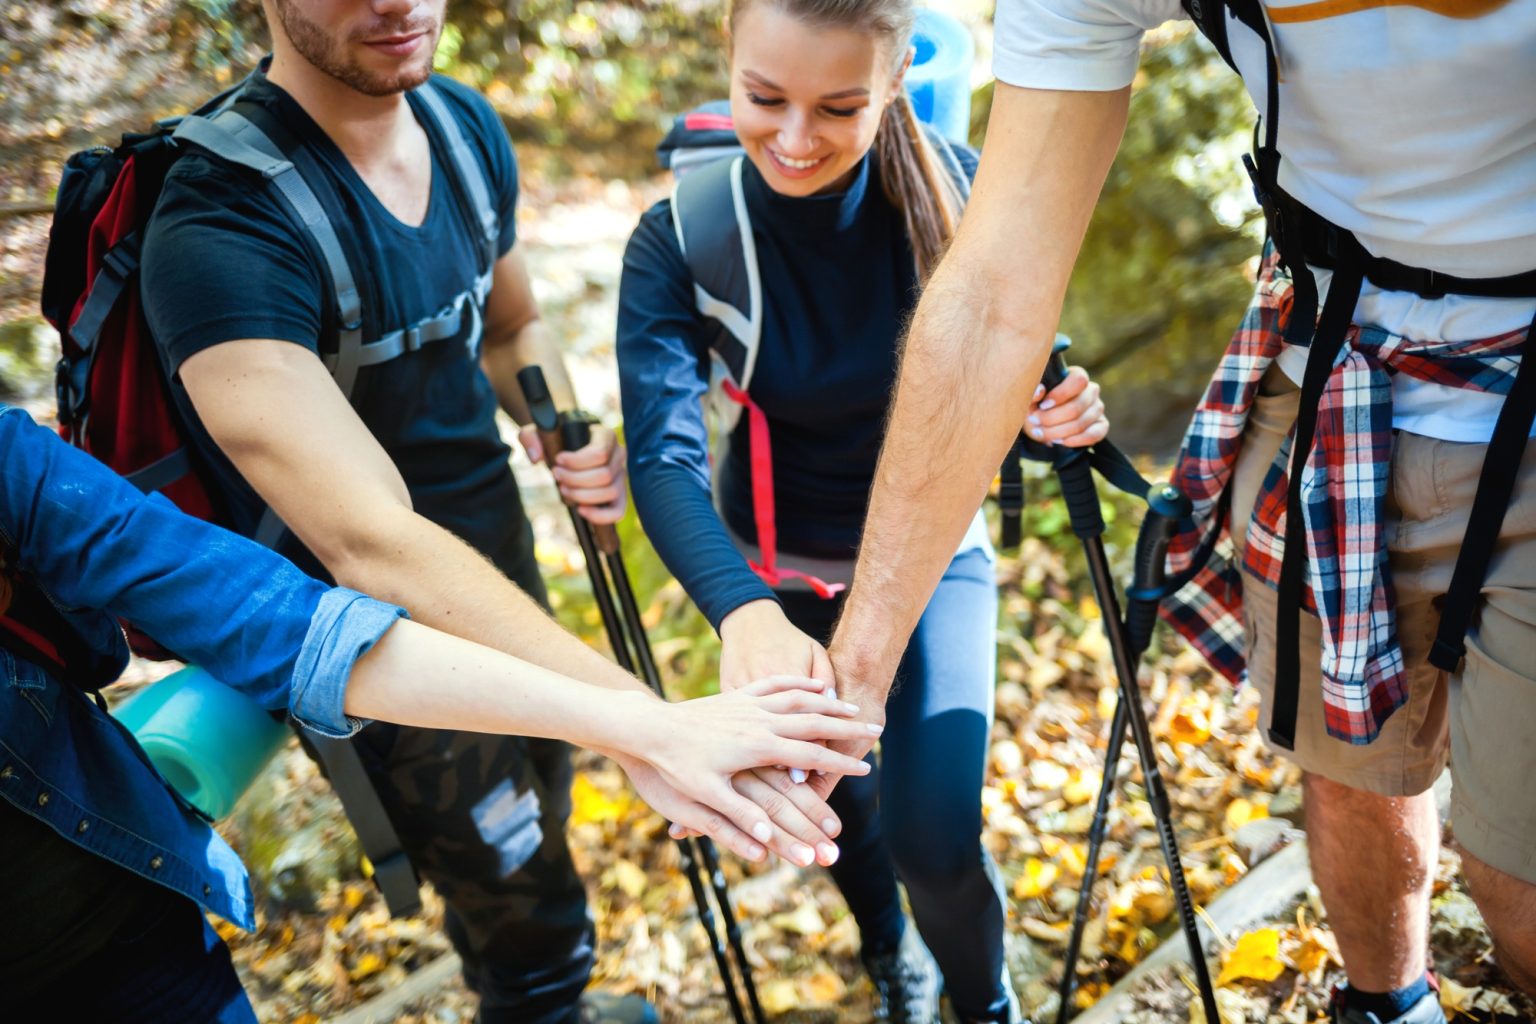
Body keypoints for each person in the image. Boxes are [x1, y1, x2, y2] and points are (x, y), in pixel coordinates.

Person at [821, 2, 1536, 1023]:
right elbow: (990, 295)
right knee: (1344, 759)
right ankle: (1390, 1002)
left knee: (1519, 884)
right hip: (1324, 372)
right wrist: (857, 675)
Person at [136, 2, 846, 1021]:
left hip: (497, 560)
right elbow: (372, 546)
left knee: (543, 805)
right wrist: (647, 725)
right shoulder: (220, 224)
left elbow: (510, 323)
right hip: (375, 640)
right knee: (506, 872)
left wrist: (561, 422)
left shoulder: (462, 127)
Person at [0, 402, 875, 1022]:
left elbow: (287, 625)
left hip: (124, 923)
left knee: (541, 830)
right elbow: (358, 558)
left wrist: (644, 728)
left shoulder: (12, 465)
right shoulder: (217, 229)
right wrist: (646, 726)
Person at [615, 1, 1107, 1020]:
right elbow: (662, 464)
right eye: (764, 98)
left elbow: (995, 393)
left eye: (839, 106)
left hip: (931, 563)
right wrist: (741, 611)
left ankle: (983, 1005)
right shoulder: (683, 238)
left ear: (893, 86)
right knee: (836, 812)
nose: (795, 139)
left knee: (933, 836)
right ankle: (894, 959)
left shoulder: (966, 196)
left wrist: (1053, 412)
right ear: (731, 65)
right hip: (769, 575)